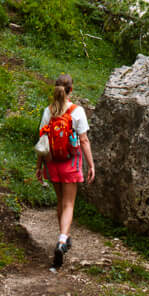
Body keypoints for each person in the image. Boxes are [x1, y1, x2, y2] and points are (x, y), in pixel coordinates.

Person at [35, 73, 95, 270]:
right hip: (71, 162)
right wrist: (91, 165)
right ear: (71, 90)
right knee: (69, 204)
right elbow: (84, 140)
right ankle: (62, 241)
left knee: (60, 201)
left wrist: (39, 166)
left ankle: (65, 236)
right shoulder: (77, 111)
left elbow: (43, 142)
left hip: (52, 162)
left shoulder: (48, 111)